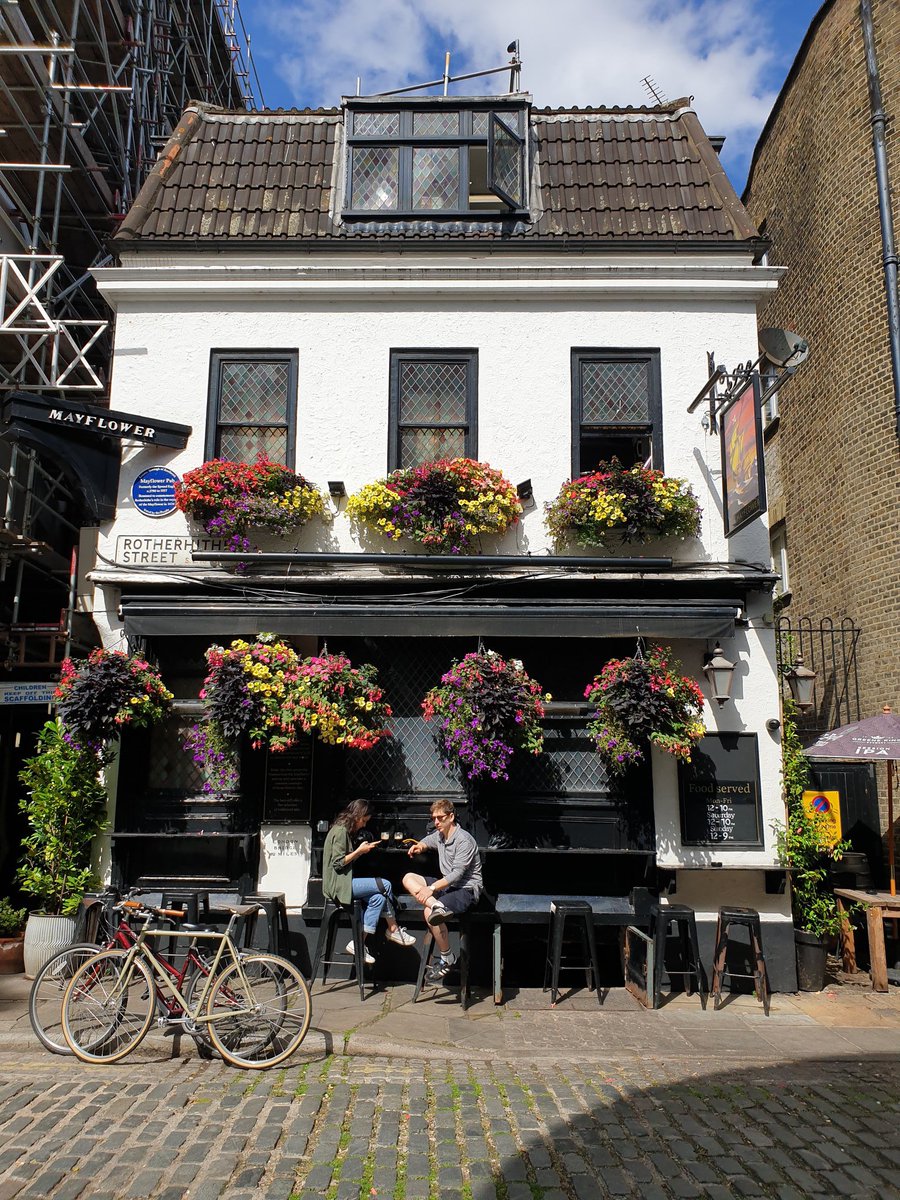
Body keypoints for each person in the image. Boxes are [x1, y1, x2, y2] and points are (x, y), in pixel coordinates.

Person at [322, 799, 416, 963]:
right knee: (385, 884)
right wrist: (359, 851)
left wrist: (361, 850)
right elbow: (338, 864)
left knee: (378, 898)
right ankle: (393, 928)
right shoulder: (340, 832)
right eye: (364, 820)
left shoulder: (342, 831)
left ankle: (357, 943)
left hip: (344, 882)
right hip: (338, 885)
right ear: (358, 816)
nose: (364, 825)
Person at [403, 798, 483, 983]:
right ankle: (437, 906)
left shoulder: (464, 840)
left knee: (427, 911)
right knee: (408, 878)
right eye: (434, 818)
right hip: (447, 888)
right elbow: (428, 841)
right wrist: (419, 846)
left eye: (440, 818)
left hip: (466, 889)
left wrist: (431, 888)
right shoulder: (440, 835)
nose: (436, 822)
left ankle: (447, 957)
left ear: (451, 817)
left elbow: (457, 874)